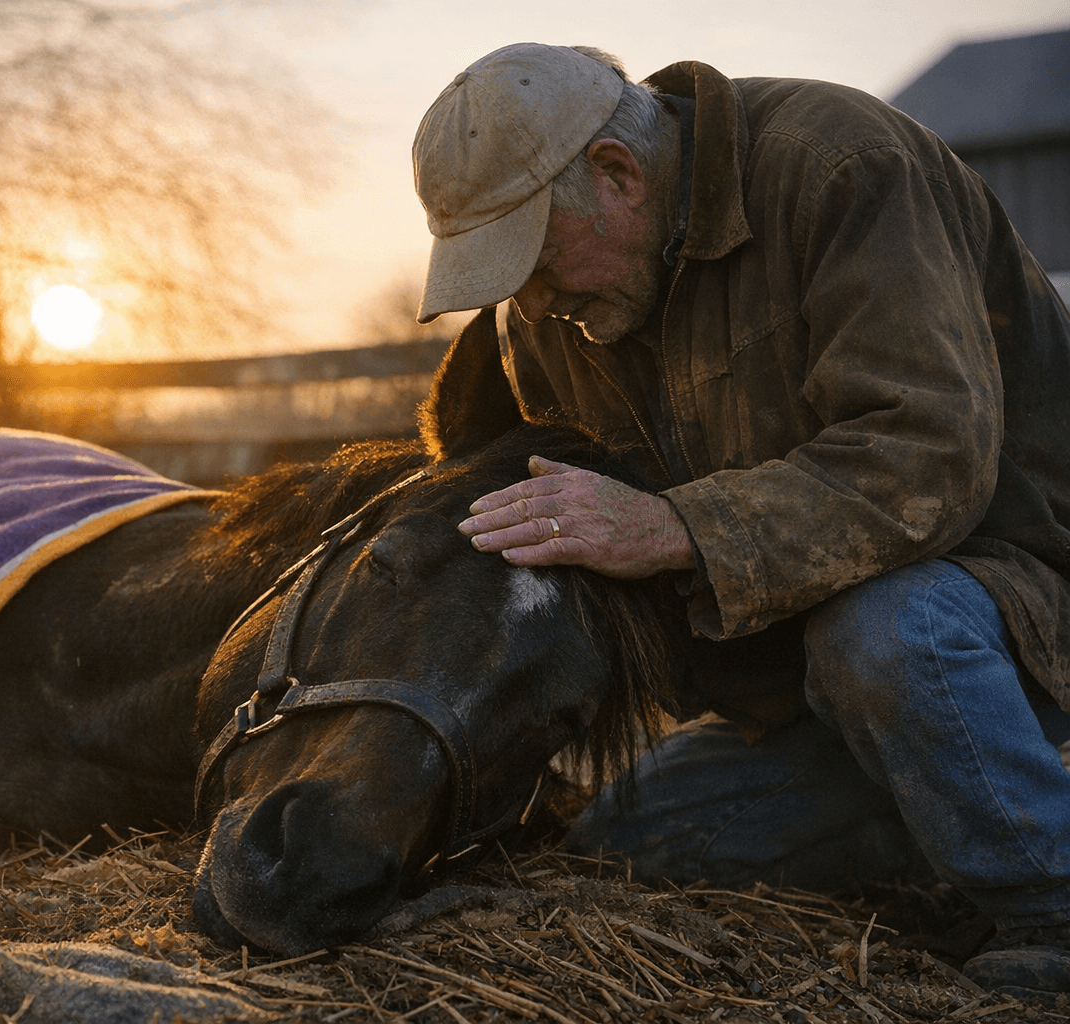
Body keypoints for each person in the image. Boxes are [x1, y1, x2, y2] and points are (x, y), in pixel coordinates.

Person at [412, 41, 1070, 998]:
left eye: (538, 259)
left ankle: (1052, 904)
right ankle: (960, 811)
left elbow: (927, 456)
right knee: (623, 845)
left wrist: (673, 529)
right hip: (806, 688)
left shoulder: (842, 166)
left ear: (617, 173)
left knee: (887, 629)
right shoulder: (553, 320)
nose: (534, 300)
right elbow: (590, 550)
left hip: (1015, 596)